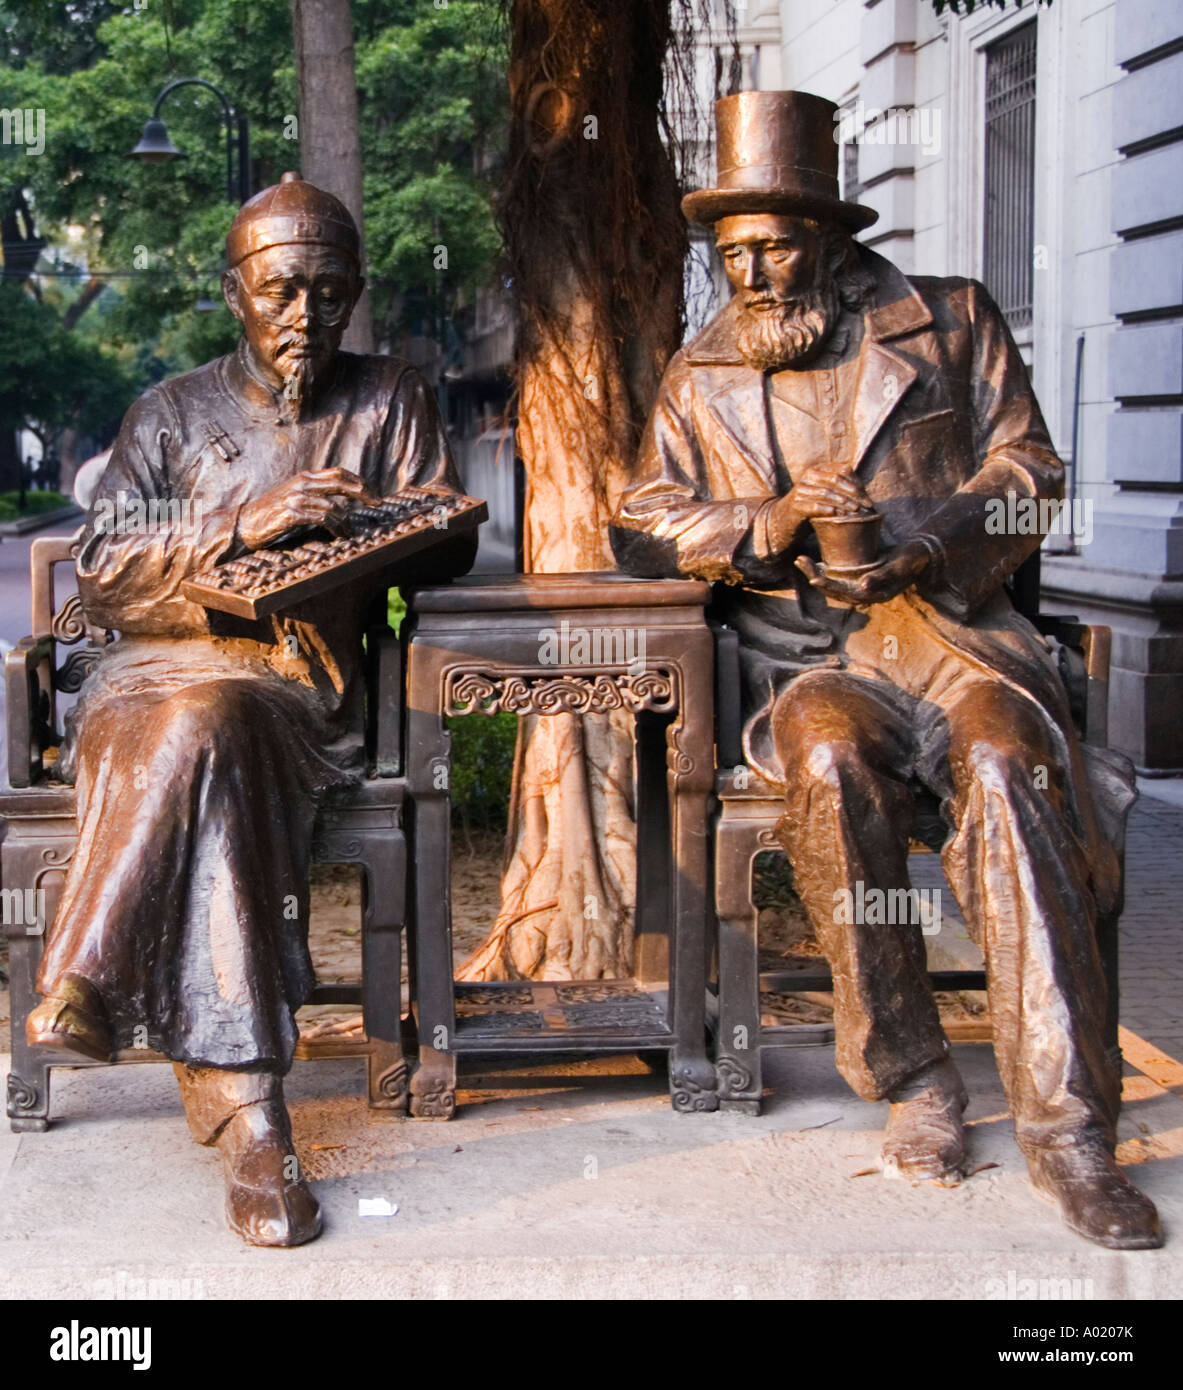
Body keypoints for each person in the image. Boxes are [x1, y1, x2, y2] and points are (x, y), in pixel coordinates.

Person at [611, 91, 1161, 1250]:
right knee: (823, 758)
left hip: (959, 643)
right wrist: (762, 524)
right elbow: (642, 513)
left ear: (829, 232)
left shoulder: (948, 320)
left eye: (773, 244)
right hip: (816, 659)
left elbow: (1030, 468)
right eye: (731, 252)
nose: (751, 273)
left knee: (1010, 773)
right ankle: (914, 1076)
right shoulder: (701, 368)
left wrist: (926, 539)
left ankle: (1068, 1129)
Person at [27, 173, 474, 1247]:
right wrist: (244, 521)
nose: (304, 316)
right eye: (280, 291)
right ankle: (251, 1118)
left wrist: (379, 519)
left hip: (290, 678)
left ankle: (89, 973)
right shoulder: (174, 411)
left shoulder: (388, 399)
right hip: (144, 671)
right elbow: (102, 567)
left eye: (329, 292)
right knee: (192, 723)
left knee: (212, 722)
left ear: (355, 293)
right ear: (236, 294)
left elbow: (448, 534)